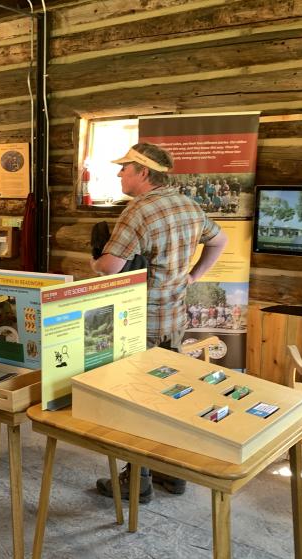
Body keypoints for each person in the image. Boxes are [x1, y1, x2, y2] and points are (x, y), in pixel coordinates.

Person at [89, 143, 228, 503]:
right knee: (168, 392)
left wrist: (95, 261)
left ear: (144, 173)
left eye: (125, 168)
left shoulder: (138, 212)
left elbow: (110, 267)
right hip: (174, 319)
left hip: (141, 320)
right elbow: (219, 240)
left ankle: (136, 480)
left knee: (138, 398)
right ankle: (171, 470)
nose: (120, 173)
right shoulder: (188, 204)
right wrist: (193, 277)